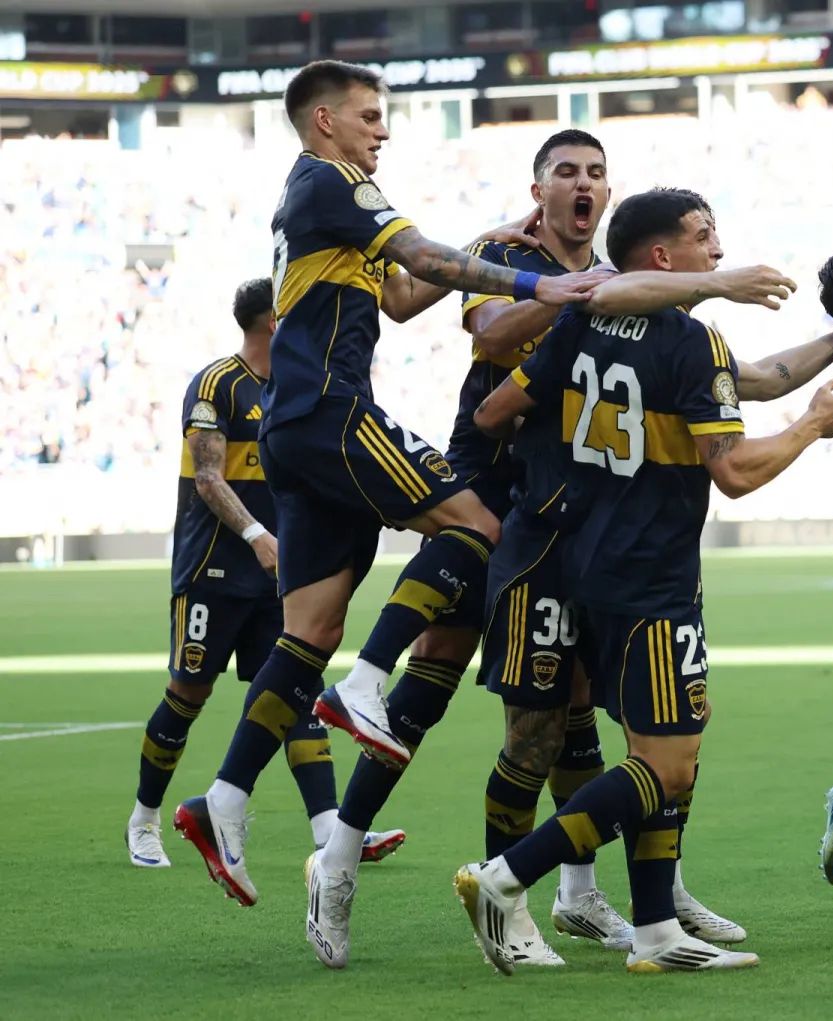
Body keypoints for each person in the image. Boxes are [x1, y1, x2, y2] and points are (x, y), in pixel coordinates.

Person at [173, 59, 609, 909]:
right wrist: (542, 282)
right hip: (332, 410)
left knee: (308, 630)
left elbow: (403, 295)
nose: (382, 129)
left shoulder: (315, 208)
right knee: (476, 524)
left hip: (293, 430)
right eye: (369, 115)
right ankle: (370, 679)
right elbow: (423, 256)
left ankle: (222, 799)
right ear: (325, 120)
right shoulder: (333, 179)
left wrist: (484, 239)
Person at [452, 187, 833, 975]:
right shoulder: (691, 341)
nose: (719, 249)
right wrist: (813, 425)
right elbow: (735, 472)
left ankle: (655, 930)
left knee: (645, 745)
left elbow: (494, 412)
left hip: (580, 559)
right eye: (705, 237)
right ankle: (506, 876)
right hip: (652, 573)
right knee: (667, 762)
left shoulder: (579, 323)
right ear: (664, 257)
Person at [305, 128, 631, 969]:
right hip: (492, 478)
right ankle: (337, 859)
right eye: (567, 171)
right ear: (539, 188)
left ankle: (578, 891)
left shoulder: (613, 271)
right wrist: (569, 294)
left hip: (569, 501)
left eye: (596, 172)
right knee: (428, 687)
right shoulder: (506, 254)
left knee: (571, 695)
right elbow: (489, 335)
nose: (583, 183)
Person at [127, 278, 401, 870]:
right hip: (214, 568)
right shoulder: (216, 384)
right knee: (189, 694)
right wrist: (256, 536)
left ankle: (330, 831)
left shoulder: (298, 388)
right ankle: (144, 819)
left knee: (296, 692)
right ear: (276, 321)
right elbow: (208, 478)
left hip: (279, 571)